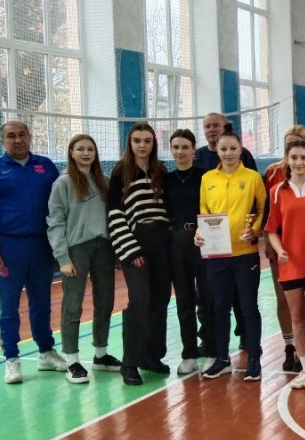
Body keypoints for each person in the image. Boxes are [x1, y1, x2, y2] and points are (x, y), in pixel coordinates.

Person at [0, 121, 68, 384]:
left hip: (42, 246)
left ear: (30, 136)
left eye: (22, 135)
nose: (17, 140)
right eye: (11, 136)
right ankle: (11, 358)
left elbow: (61, 204)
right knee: (9, 305)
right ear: (2, 140)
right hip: (9, 248)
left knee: (42, 302)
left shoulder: (46, 166)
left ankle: (46, 352)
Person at [47, 133, 118, 384]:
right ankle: (73, 360)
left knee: (105, 301)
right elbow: (55, 222)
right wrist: (62, 257)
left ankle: (101, 354)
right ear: (71, 152)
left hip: (105, 248)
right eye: (80, 149)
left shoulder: (104, 181)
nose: (86, 153)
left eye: (90, 149)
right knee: (73, 304)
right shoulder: (63, 183)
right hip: (77, 249)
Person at [196, 130, 267, 381]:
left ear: (240, 150)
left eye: (232, 148)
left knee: (248, 307)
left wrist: (255, 230)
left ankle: (255, 359)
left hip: (245, 254)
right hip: (216, 255)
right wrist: (199, 233)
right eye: (223, 149)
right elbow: (204, 211)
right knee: (219, 307)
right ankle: (222, 359)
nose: (227, 153)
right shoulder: (207, 179)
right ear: (217, 150)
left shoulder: (252, 178)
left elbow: (262, 209)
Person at [107, 122, 172, 385]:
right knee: (139, 300)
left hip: (161, 242)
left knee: (160, 299)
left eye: (147, 140)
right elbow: (114, 213)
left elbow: (167, 209)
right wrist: (130, 249)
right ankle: (130, 362)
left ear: (153, 144)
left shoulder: (160, 170)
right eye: (137, 140)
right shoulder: (120, 172)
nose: (142, 145)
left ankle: (151, 356)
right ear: (130, 143)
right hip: (135, 243)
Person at [266, 138, 305, 390]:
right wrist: (280, 250)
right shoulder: (276, 192)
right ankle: (304, 367)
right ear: (287, 160)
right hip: (290, 264)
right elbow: (271, 229)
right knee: (297, 317)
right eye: (294, 158)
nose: (299, 162)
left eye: (303, 158)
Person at [164, 129, 214, 374]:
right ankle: (189, 354)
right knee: (183, 299)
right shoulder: (166, 180)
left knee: (207, 297)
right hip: (177, 242)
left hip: (202, 239)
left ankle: (213, 350)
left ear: (194, 150)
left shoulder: (206, 177)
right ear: (170, 150)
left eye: (185, 147)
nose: (180, 151)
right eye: (176, 147)